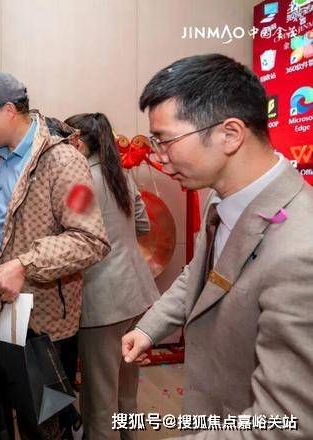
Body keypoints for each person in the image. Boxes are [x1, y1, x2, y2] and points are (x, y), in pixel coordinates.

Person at [121, 54, 313, 438]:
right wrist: (151, 328)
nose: (158, 156)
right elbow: (203, 273)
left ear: (230, 134)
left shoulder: (299, 253)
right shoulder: (220, 196)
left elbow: (285, 423)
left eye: (166, 141)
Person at [0, 71, 111, 439]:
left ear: (9, 111)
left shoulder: (64, 162)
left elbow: (91, 239)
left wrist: (26, 264)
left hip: (41, 319)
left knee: (43, 419)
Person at [65, 112, 160, 440]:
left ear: (79, 141)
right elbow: (143, 225)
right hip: (135, 293)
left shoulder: (79, 183)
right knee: (126, 393)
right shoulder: (120, 175)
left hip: (102, 300)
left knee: (99, 402)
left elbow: (69, 240)